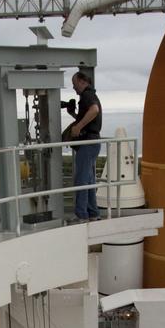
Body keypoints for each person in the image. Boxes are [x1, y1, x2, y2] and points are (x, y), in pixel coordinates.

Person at [64, 69, 102, 221]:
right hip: (93, 142)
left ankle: (81, 215)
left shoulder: (87, 95)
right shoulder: (92, 95)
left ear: (82, 81)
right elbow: (91, 117)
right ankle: (93, 213)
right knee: (88, 179)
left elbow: (94, 110)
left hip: (87, 143)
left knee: (81, 179)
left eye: (74, 84)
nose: (74, 88)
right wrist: (74, 115)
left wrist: (78, 127)